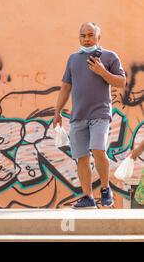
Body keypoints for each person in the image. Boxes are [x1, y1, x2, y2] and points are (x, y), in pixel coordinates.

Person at [53, 22, 126, 209]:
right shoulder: (73, 59)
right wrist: (57, 111)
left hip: (100, 114)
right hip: (78, 116)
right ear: (79, 38)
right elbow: (66, 87)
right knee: (82, 157)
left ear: (98, 37)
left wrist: (102, 72)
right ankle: (88, 197)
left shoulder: (109, 56)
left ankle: (105, 188)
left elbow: (122, 82)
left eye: (91, 35)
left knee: (98, 150)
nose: (87, 39)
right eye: (83, 36)